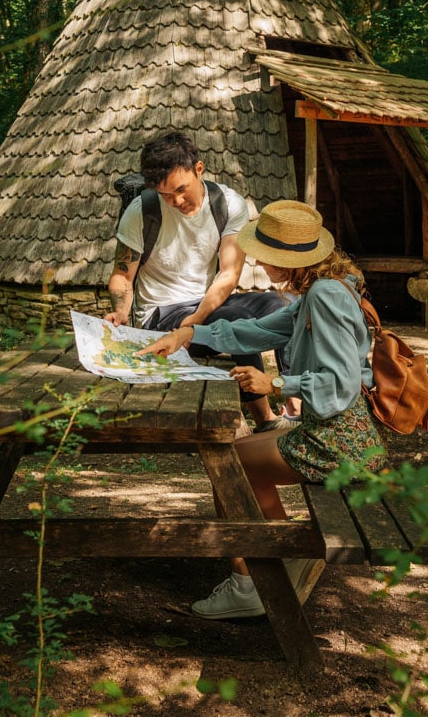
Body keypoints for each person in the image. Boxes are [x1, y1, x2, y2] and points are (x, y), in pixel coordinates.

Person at [137, 199, 387, 619]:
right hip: (339, 432)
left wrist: (275, 382)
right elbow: (257, 330)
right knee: (242, 449)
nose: (259, 262)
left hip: (339, 441)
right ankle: (282, 554)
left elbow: (341, 385)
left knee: (229, 463)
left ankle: (249, 583)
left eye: (266, 256)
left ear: (288, 261)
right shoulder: (322, 289)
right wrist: (188, 333)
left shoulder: (324, 297)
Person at [105, 132, 298, 431]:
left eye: (181, 190)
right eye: (166, 195)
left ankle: (293, 398)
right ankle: (266, 421)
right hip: (162, 317)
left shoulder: (229, 203)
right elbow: (122, 276)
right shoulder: (141, 211)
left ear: (199, 169)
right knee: (238, 319)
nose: (176, 201)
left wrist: (195, 322)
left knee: (288, 305)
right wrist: (120, 310)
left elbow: (229, 274)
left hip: (206, 304)